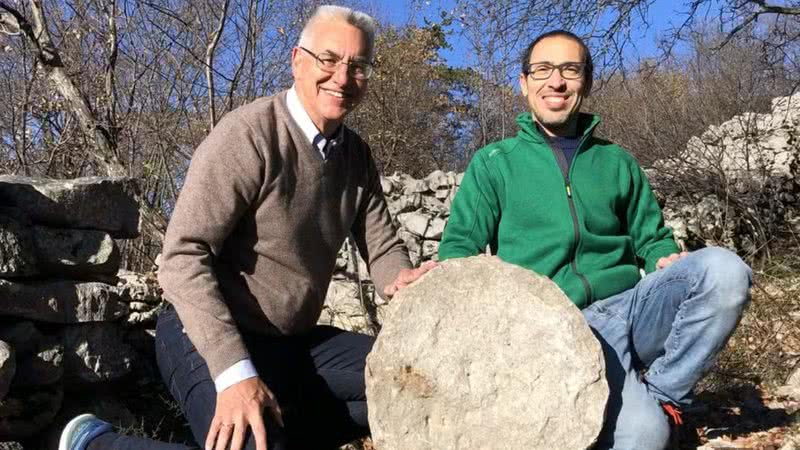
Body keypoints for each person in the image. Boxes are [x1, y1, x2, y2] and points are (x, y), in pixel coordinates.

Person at [59, 5, 434, 450]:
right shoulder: (249, 135)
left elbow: (383, 243)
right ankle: (97, 444)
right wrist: (235, 373)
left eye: (358, 66)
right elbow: (182, 259)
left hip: (293, 345)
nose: (342, 76)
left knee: (412, 383)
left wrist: (403, 280)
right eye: (329, 60)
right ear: (298, 60)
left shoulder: (356, 157)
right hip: (206, 332)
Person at [438, 30, 752, 450]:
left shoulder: (617, 161)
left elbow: (653, 240)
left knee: (725, 271)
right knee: (644, 437)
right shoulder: (495, 164)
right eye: (543, 69)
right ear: (523, 82)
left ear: (586, 80)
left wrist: (664, 259)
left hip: (629, 310)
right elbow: (459, 253)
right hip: (553, 328)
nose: (557, 81)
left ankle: (663, 396)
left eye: (570, 69)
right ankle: (646, 416)